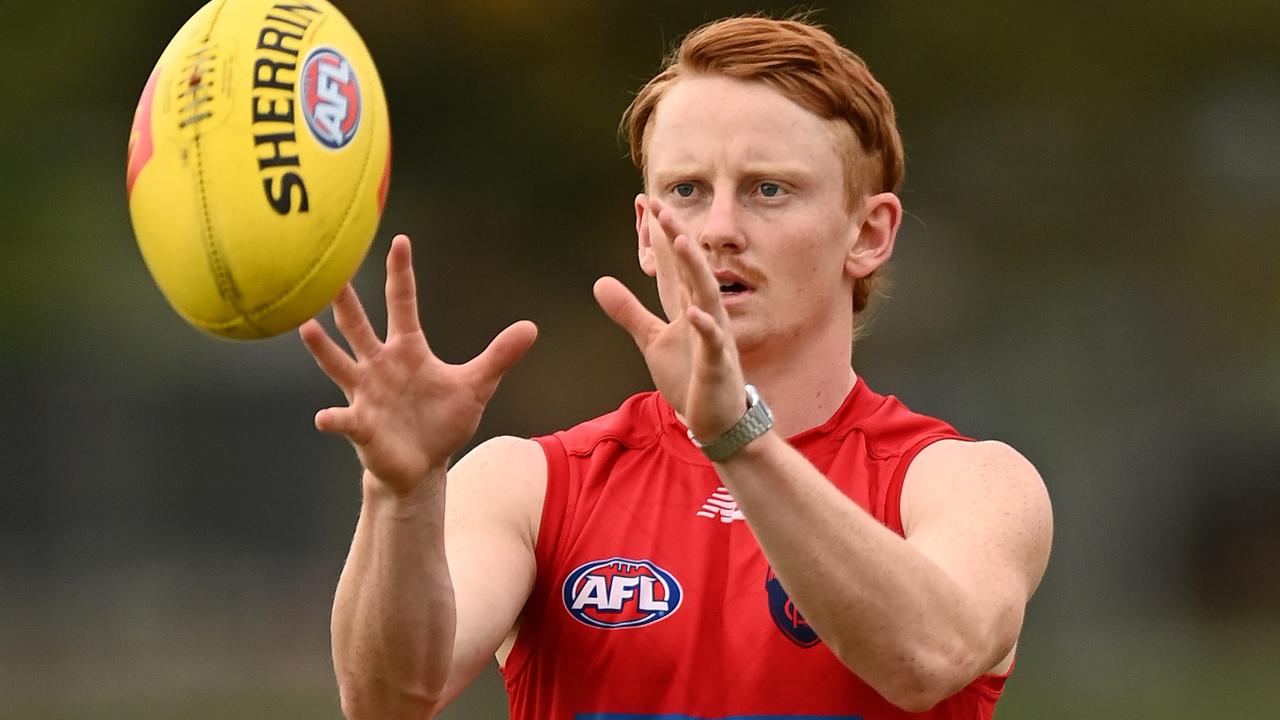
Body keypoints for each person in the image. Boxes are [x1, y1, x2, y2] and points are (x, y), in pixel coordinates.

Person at [299, 14, 1053, 720]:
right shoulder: (532, 485)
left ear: (870, 232)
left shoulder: (967, 483)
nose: (719, 229)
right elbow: (389, 700)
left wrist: (738, 438)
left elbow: (926, 658)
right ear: (646, 233)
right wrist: (400, 493)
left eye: (769, 190)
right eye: (686, 191)